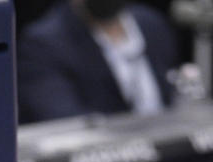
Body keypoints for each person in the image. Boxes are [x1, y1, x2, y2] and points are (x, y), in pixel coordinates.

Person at [17, 0, 181, 123]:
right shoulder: (43, 44)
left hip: (171, 149)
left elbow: (174, 95)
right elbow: (65, 120)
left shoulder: (151, 23)